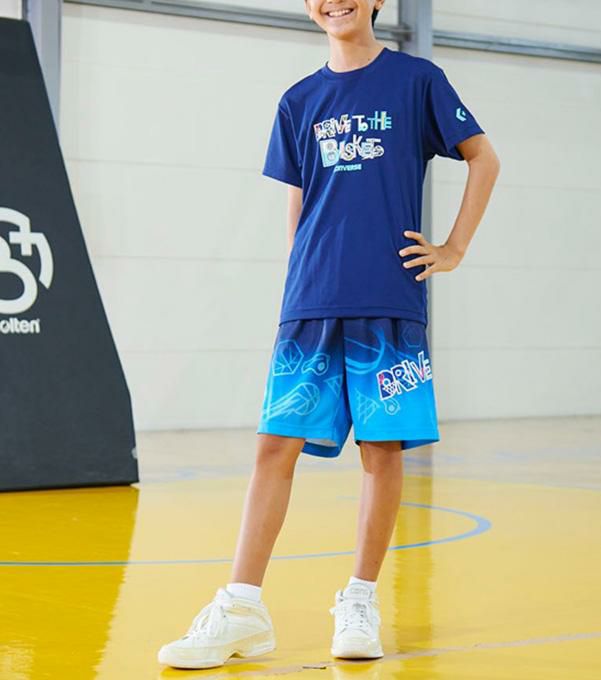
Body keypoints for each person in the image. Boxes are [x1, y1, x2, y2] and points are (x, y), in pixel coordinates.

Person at [158, 0, 500, 669]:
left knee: (382, 449)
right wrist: (298, 283)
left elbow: (483, 157)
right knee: (274, 446)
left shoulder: (417, 81)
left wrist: (454, 247)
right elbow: (299, 204)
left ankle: (360, 601)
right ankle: (241, 609)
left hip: (389, 297)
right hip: (312, 299)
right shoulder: (298, 101)